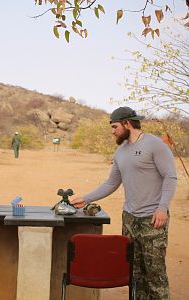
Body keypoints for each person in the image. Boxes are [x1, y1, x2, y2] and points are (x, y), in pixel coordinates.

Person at [70, 106, 177, 300]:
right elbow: (111, 183)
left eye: (114, 126)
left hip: (152, 219)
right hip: (129, 218)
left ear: (127, 123)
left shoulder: (154, 144)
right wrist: (85, 198)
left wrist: (162, 208)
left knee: (155, 274)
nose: (112, 131)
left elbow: (170, 176)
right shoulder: (120, 152)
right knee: (134, 273)